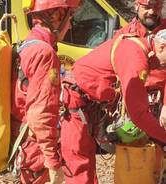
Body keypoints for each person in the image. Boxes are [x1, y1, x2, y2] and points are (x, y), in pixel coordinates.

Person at [60, 21, 166, 183]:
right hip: (76, 101)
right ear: (161, 47)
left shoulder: (138, 48)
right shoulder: (136, 58)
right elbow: (139, 114)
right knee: (79, 166)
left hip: (87, 102)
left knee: (85, 162)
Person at [10, 0, 80, 183]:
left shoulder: (28, 43)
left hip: (26, 142)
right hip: (37, 149)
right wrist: (53, 163)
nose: (71, 24)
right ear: (57, 16)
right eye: (70, 16)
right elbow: (41, 113)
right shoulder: (44, 53)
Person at [114, 0, 166, 129]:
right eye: (147, 7)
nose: (152, 12)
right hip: (132, 102)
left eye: (157, 7)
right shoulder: (123, 35)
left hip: (161, 100)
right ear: (136, 6)